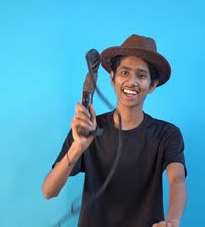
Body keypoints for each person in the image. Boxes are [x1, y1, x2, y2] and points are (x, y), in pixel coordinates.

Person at [42, 34, 187, 227]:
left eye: (141, 75)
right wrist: (78, 146)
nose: (131, 82)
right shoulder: (88, 129)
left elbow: (177, 179)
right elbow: (48, 191)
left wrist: (173, 219)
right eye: (124, 73)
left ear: (152, 85)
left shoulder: (167, 134)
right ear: (112, 78)